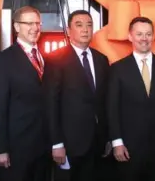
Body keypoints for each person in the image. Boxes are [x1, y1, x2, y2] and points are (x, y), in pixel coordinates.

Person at [107, 16, 155, 181]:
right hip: (129, 147)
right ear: (130, 36)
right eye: (139, 34)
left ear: (153, 36)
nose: (144, 38)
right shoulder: (118, 68)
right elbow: (112, 108)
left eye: (148, 34)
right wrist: (117, 142)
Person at [43, 10, 111, 181]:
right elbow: (51, 104)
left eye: (89, 25)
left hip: (97, 143)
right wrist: (56, 143)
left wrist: (108, 137)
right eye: (79, 25)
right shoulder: (55, 60)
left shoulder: (101, 59)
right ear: (68, 30)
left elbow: (105, 102)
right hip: (69, 143)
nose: (85, 30)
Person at [0, 6, 50, 181]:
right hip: (16, 148)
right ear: (16, 27)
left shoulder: (45, 58)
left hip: (43, 147)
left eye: (37, 23)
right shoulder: (3, 60)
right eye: (28, 23)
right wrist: (0, 149)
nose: (35, 28)